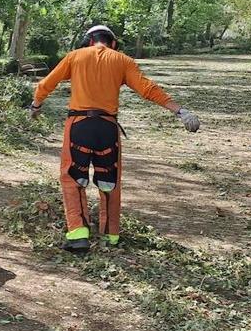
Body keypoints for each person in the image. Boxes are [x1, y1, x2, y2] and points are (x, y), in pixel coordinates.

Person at [30, 25, 201, 253]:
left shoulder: (74, 57)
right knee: (109, 181)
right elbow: (147, 89)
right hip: (108, 129)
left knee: (73, 179)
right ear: (112, 43)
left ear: (89, 41)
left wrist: (36, 105)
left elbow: (45, 84)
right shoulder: (123, 61)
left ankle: (78, 234)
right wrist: (180, 111)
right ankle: (110, 236)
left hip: (79, 126)